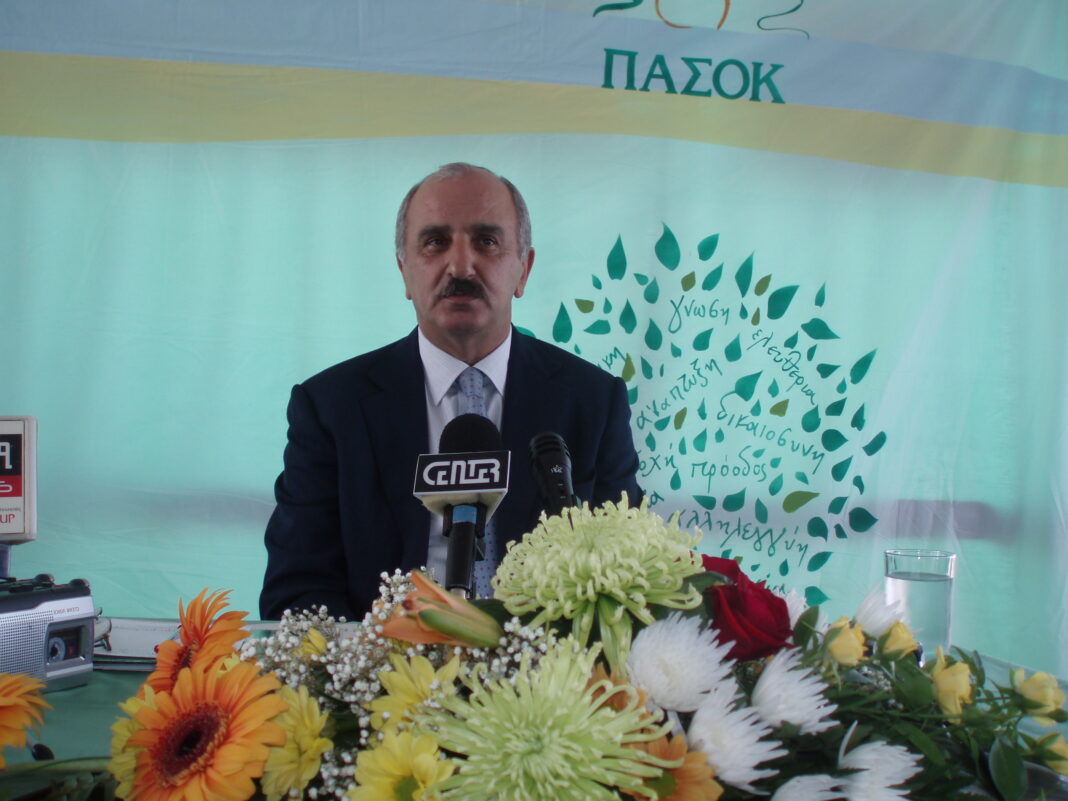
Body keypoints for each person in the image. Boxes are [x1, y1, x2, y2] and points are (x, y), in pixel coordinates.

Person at [259, 163, 642, 620]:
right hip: (386, 662)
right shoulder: (330, 408)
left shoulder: (593, 402)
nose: (460, 266)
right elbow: (297, 591)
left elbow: (628, 581)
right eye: (435, 242)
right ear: (404, 270)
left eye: (487, 241)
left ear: (523, 270)